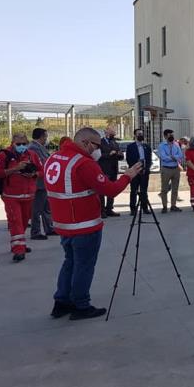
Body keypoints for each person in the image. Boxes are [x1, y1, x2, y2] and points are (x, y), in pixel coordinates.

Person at [45, 128, 142, 320]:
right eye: (97, 145)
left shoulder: (54, 158)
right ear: (85, 142)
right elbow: (110, 190)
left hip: (64, 224)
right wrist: (128, 176)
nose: (98, 149)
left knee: (70, 262)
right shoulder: (83, 163)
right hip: (84, 224)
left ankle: (61, 302)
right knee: (84, 265)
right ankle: (81, 305)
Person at [0, 133, 43, 262]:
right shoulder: (4, 155)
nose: (22, 146)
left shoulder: (32, 155)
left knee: (22, 222)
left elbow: (42, 171)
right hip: (11, 196)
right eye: (18, 144)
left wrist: (33, 174)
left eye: (24, 144)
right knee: (15, 221)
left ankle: (18, 243)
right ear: (13, 143)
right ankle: (19, 250)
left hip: (28, 196)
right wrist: (15, 169)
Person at [28, 128, 56, 240]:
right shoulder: (34, 148)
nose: (46, 138)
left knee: (46, 207)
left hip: (43, 182)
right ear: (40, 137)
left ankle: (49, 228)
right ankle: (35, 232)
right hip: (38, 183)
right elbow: (42, 163)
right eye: (45, 136)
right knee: (37, 209)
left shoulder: (39, 147)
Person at [98, 126, 124, 218]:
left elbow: (120, 156)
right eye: (112, 132)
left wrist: (120, 155)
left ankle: (109, 209)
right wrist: (109, 154)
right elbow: (98, 155)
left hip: (113, 169)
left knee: (112, 190)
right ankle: (102, 211)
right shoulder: (100, 142)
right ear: (106, 132)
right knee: (102, 190)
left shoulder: (115, 143)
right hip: (104, 169)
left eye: (114, 132)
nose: (114, 134)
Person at [126, 128, 152, 216]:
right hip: (135, 172)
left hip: (144, 172)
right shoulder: (130, 147)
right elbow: (129, 159)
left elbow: (149, 159)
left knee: (144, 190)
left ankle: (145, 207)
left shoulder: (147, 147)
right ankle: (133, 209)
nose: (141, 135)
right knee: (134, 190)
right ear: (135, 135)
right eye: (139, 134)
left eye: (142, 133)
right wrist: (135, 168)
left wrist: (146, 168)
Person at [157, 129, 183, 213]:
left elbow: (180, 156)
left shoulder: (176, 145)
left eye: (172, 134)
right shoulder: (162, 146)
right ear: (165, 136)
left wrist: (173, 157)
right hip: (166, 169)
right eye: (169, 135)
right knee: (164, 189)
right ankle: (164, 206)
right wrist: (174, 158)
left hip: (176, 169)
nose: (171, 136)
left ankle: (173, 205)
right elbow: (163, 157)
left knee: (175, 189)